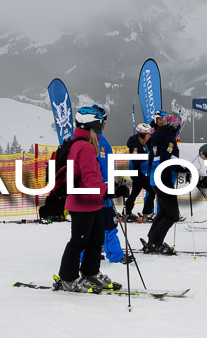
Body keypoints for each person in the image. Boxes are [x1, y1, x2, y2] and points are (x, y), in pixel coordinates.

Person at [57, 106, 121, 292]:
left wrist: (107, 190)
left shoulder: (85, 144)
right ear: (93, 125)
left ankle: (90, 272)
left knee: (96, 239)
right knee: (79, 241)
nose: (103, 128)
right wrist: (110, 189)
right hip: (82, 202)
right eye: (101, 125)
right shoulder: (84, 147)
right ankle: (68, 278)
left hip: (92, 201)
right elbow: (90, 179)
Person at [142, 112, 190, 255]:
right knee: (172, 215)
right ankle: (155, 243)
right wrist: (183, 169)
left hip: (155, 179)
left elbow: (152, 156)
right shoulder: (169, 139)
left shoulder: (156, 135)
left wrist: (150, 173)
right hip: (164, 179)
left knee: (163, 212)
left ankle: (153, 240)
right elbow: (166, 160)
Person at [91, 104, 131, 265]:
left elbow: (105, 166)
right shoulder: (95, 140)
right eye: (104, 121)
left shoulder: (98, 139)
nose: (105, 125)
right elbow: (99, 167)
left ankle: (109, 254)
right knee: (107, 225)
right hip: (100, 192)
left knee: (103, 225)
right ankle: (114, 255)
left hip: (102, 190)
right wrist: (108, 188)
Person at [124, 123, 156, 222]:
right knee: (152, 190)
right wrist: (149, 158)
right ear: (143, 134)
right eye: (148, 134)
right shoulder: (136, 144)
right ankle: (147, 214)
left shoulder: (143, 143)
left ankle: (127, 213)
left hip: (139, 172)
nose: (150, 136)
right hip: (137, 172)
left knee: (135, 192)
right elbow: (135, 159)